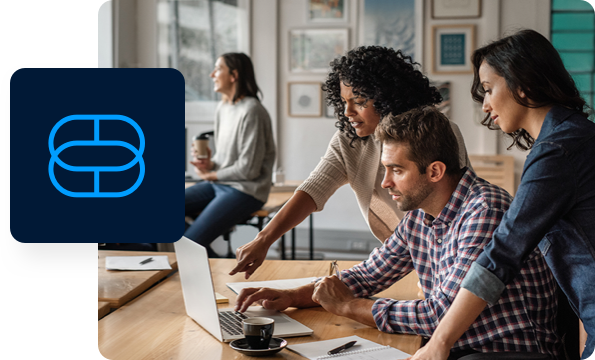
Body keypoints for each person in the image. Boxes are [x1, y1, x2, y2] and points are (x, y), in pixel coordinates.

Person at [235, 106, 562, 359]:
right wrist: (294, 296)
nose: (385, 182)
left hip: (506, 351)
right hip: (459, 345)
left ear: (434, 171)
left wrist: (349, 308)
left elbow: (437, 316)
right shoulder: (421, 213)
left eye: (396, 170)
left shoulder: (484, 210)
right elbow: (369, 275)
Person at [407, 29, 595, 360]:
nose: (486, 107)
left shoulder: (558, 152)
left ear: (523, 83)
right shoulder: (572, 138)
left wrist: (439, 342)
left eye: (490, 89)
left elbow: (503, 252)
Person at [230, 46, 471, 278]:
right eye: (344, 101)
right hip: (400, 255)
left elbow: (455, 208)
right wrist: (263, 240)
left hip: (449, 253)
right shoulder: (350, 140)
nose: (347, 111)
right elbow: (314, 189)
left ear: (388, 97)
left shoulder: (436, 133)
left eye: (359, 101)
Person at [185, 53, 276, 258]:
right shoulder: (223, 107)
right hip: (221, 184)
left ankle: (216, 274)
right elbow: (226, 161)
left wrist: (212, 175)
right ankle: (205, 261)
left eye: (218, 69)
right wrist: (210, 164)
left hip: (245, 191)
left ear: (234, 75)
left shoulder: (252, 111)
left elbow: (248, 169)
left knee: (190, 244)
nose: (212, 74)